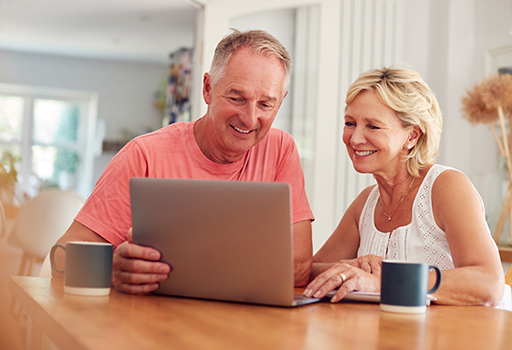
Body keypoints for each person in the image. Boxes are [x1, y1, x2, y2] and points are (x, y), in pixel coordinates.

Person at [54, 29, 315, 293]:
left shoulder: (281, 150)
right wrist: (110, 271)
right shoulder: (144, 154)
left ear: (280, 102)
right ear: (208, 89)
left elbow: (299, 268)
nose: (249, 118)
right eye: (237, 98)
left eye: (265, 105)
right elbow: (61, 258)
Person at [303, 66, 512, 309]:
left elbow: (488, 283)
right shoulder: (366, 203)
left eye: (372, 126)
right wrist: (350, 267)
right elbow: (307, 270)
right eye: (350, 123)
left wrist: (381, 281)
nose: (355, 138)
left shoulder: (446, 187)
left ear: (412, 136)